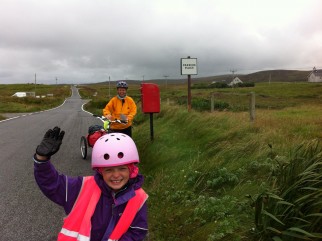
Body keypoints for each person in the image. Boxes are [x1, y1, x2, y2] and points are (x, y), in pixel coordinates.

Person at [33, 126, 148, 241]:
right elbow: (53, 184)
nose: (116, 175)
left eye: (122, 168)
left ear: (131, 170)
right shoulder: (81, 187)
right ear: (100, 171)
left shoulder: (138, 198)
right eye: (109, 170)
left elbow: (137, 231)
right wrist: (42, 159)